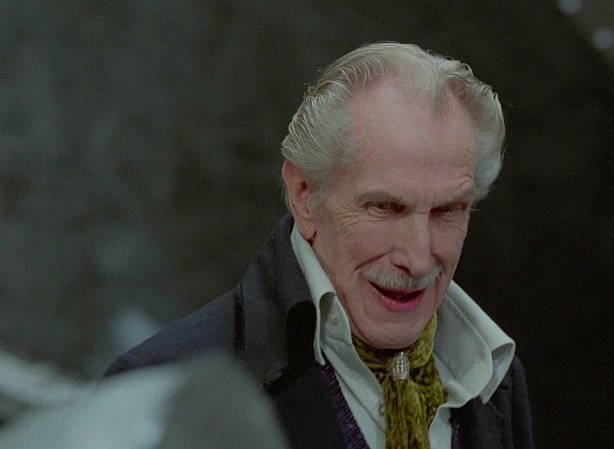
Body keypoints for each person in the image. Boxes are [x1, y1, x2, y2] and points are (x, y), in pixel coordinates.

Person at [106, 42, 534, 449]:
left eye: (447, 211)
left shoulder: (494, 377)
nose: (419, 258)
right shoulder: (156, 392)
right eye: (385, 207)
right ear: (305, 196)